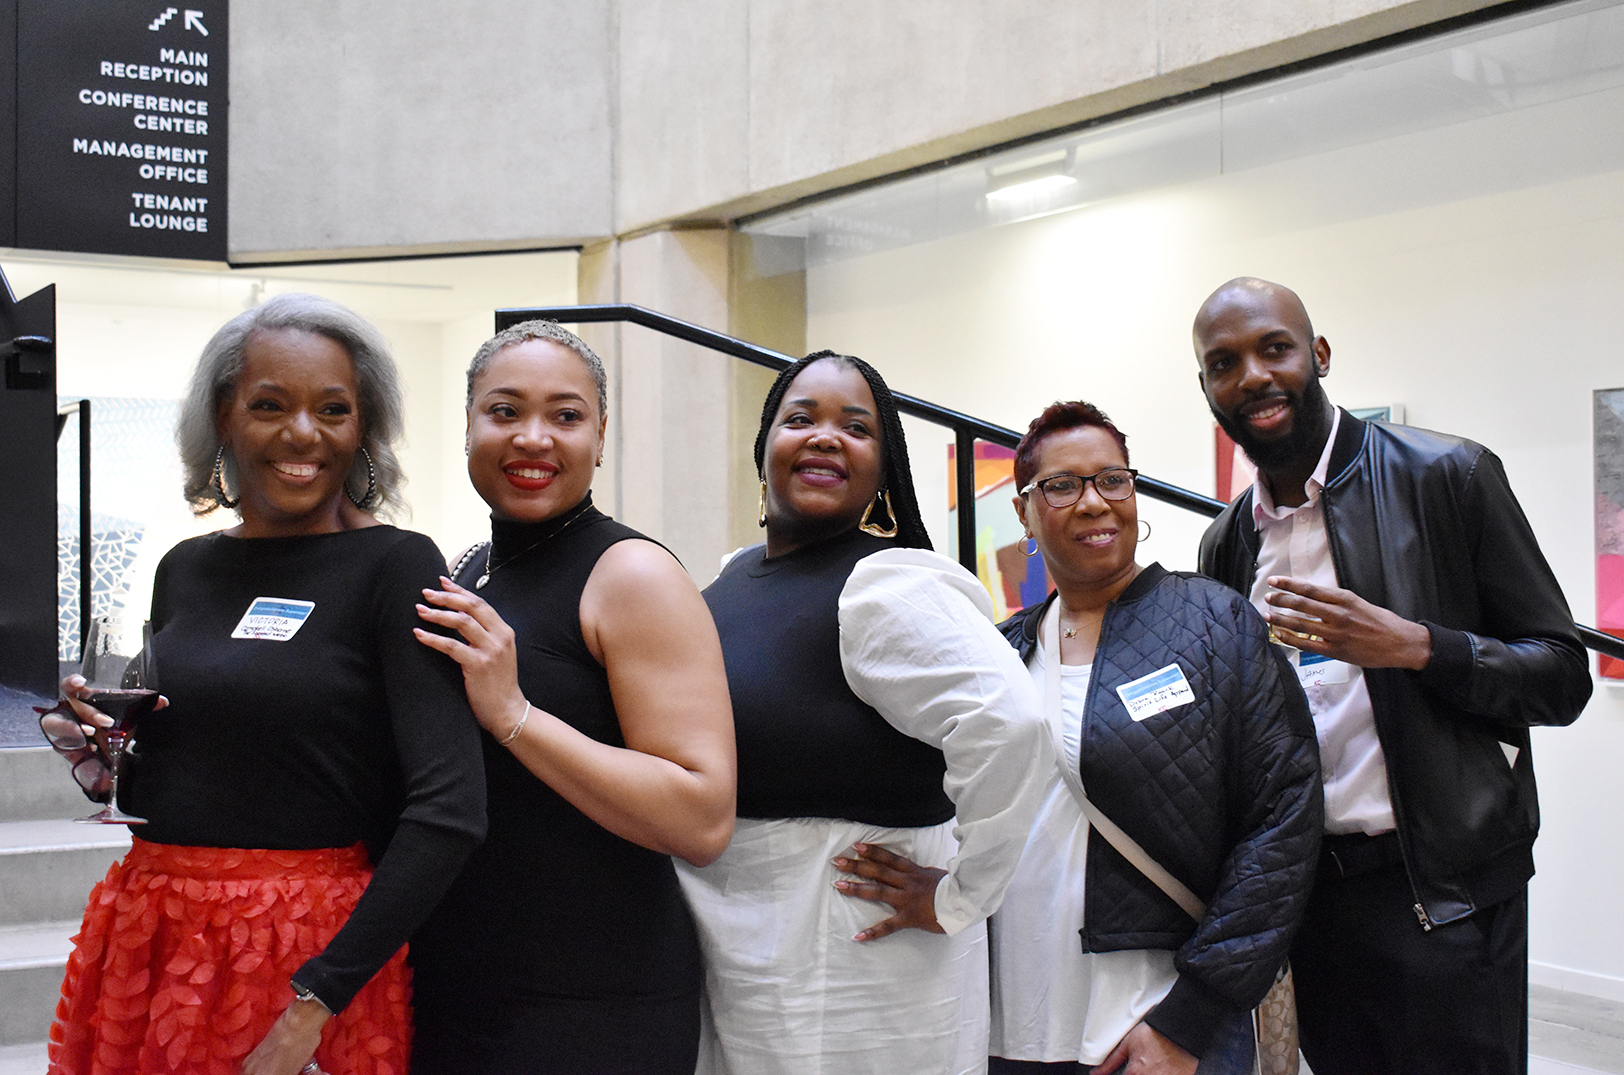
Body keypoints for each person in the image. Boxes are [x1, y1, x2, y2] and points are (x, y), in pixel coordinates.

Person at [42, 293, 488, 1075]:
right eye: (270, 404)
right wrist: (107, 757)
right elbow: (218, 758)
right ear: (223, 418)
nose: (303, 433)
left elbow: (449, 810)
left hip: (302, 968)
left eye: (334, 409)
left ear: (364, 429)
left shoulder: (397, 565)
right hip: (152, 940)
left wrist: (315, 1003)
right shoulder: (186, 567)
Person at [1193, 277, 1594, 1075]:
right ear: (1206, 387)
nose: (1254, 377)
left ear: (1320, 354)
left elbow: (1562, 676)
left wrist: (1418, 646)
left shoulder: (1450, 477)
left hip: (1444, 901)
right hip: (1312, 907)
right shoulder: (1228, 544)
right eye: (1224, 363)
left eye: (1275, 348)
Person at [676, 349, 1050, 1075]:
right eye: (800, 418)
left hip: (862, 971)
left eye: (856, 427)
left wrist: (963, 895)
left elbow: (1012, 725)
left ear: (883, 472)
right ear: (765, 451)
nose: (824, 436)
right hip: (738, 959)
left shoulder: (886, 588)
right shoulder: (727, 581)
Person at [406, 320, 736, 1074]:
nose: (533, 438)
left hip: (590, 1003)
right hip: (459, 983)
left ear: (600, 434)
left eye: (565, 414)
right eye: (503, 411)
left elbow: (702, 812)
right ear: (466, 426)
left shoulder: (634, 574)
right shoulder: (471, 568)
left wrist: (514, 714)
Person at [987, 400, 1321, 1075]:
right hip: (1009, 1018)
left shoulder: (1215, 623)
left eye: (1112, 479)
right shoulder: (998, 652)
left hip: (1162, 1022)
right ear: (1024, 512)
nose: (1093, 502)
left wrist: (1193, 1013)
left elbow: (1284, 817)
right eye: (1062, 484)